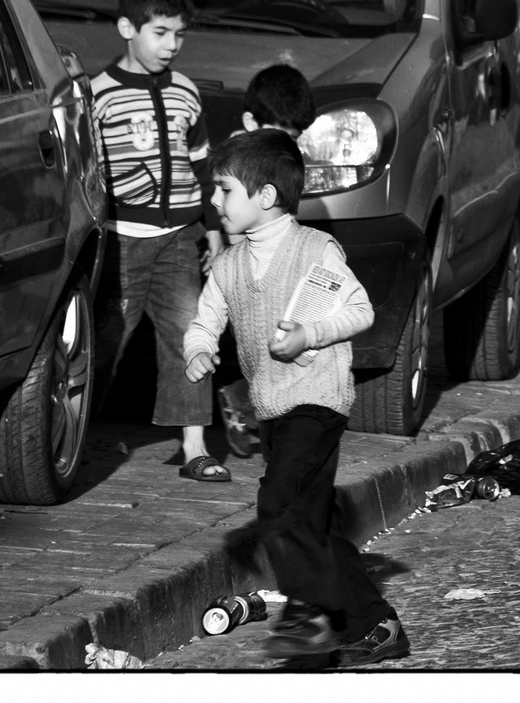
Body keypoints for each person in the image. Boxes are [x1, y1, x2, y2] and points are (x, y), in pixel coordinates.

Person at [183, 130, 410, 666]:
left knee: (278, 506)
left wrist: (309, 335)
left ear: (265, 197)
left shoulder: (314, 250)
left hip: (316, 398)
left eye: (224, 190)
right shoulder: (230, 264)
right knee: (309, 525)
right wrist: (198, 349)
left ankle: (308, 614)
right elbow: (206, 317)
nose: (214, 201)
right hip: (271, 406)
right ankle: (376, 626)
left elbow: (360, 310)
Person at [91, 0, 226, 482]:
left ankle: (194, 447)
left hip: (178, 239)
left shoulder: (186, 92)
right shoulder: (98, 97)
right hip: (124, 240)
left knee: (191, 334)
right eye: (161, 32)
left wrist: (211, 228)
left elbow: (202, 166)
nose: (171, 45)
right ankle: (68, 435)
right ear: (128, 27)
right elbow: (92, 175)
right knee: (105, 340)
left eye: (180, 34)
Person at [217, 64, 320, 459]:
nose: (288, 145)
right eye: (282, 135)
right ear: (249, 123)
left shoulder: (275, 156)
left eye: (294, 138)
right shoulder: (236, 158)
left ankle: (250, 407)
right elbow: (226, 217)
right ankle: (246, 406)